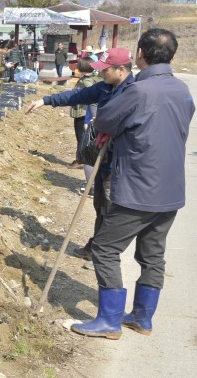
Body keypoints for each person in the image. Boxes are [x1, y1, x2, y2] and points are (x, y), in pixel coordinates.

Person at [71, 29, 195, 340]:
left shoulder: (138, 91)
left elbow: (105, 121)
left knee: (105, 248)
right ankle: (142, 317)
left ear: (139, 54)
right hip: (171, 189)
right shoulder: (183, 90)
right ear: (174, 56)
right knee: (153, 255)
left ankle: (110, 320)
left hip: (139, 188)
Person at [26, 48, 135, 258]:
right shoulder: (105, 87)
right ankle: (96, 246)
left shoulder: (134, 91)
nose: (102, 73)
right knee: (100, 206)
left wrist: (110, 126)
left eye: (105, 70)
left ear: (121, 70)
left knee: (111, 210)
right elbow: (78, 95)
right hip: (102, 159)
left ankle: (104, 252)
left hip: (119, 164)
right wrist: (46, 101)